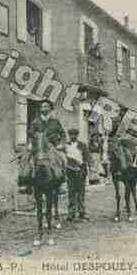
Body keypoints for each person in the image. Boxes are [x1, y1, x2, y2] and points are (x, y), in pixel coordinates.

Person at [28, 100, 66, 247]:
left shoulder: (55, 122)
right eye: (42, 107)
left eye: (46, 107)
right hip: (38, 148)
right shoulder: (36, 121)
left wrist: (61, 143)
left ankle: (61, 181)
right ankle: (26, 183)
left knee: (61, 159)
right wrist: (32, 143)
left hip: (52, 148)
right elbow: (30, 133)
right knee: (26, 161)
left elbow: (62, 134)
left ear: (50, 109)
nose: (44, 108)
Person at [65, 128, 90, 222]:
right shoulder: (66, 146)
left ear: (77, 135)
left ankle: (81, 212)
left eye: (74, 135)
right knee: (71, 192)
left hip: (80, 171)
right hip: (70, 172)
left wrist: (82, 165)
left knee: (80, 193)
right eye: (71, 135)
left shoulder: (82, 145)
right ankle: (71, 213)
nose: (72, 136)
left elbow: (87, 157)